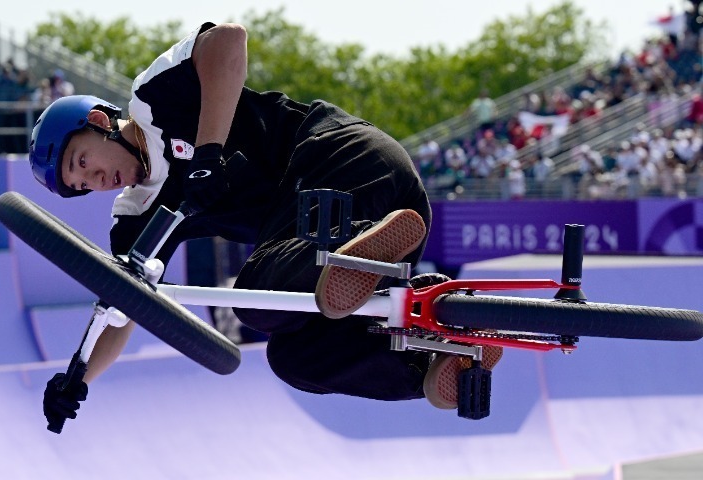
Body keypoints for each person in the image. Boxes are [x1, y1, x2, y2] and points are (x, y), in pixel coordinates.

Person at [30, 22, 502, 428]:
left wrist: (208, 152)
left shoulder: (154, 100)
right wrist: (79, 379)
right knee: (294, 359)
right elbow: (123, 304)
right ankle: (436, 358)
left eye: (84, 162)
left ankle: (352, 248)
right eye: (85, 186)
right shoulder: (137, 216)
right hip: (369, 225)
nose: (98, 182)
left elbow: (228, 40)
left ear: (99, 121)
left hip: (346, 157)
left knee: (256, 297)